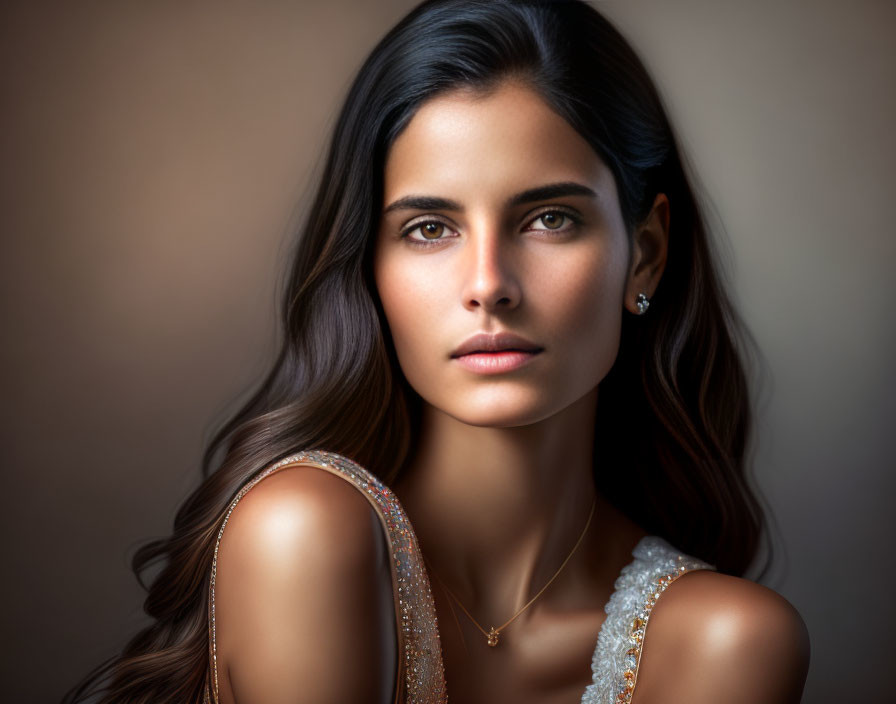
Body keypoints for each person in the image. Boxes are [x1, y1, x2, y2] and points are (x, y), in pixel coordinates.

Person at [63, 0, 810, 702]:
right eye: (428, 229)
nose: (489, 285)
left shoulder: (730, 644)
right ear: (370, 268)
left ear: (644, 255)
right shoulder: (307, 533)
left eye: (549, 218)